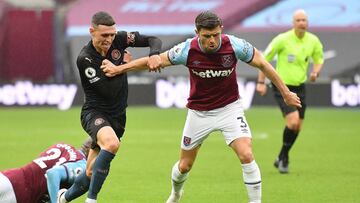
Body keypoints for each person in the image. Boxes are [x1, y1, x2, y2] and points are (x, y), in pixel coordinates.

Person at [101, 10, 301, 203]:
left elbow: (263, 64)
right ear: (197, 33)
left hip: (230, 109)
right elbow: (154, 60)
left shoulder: (235, 45)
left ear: (221, 29)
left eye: (216, 35)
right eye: (207, 36)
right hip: (199, 114)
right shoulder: (187, 49)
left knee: (246, 154)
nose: (212, 40)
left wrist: (285, 92)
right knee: (185, 166)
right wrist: (119, 69)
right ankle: (176, 195)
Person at [57, 11, 162, 203]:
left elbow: (154, 40)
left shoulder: (120, 39)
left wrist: (154, 54)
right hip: (95, 113)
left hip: (118, 116)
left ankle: (63, 198)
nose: (110, 39)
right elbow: (108, 91)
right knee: (112, 144)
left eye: (112, 34)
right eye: (104, 35)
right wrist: (123, 64)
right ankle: (92, 200)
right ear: (92, 32)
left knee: (90, 173)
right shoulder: (85, 59)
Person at [256, 9, 324, 174]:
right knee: (292, 122)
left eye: (304, 20)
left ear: (307, 23)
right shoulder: (282, 39)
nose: (302, 23)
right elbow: (263, 60)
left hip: (300, 87)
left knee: (298, 127)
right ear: (293, 23)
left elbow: (319, 58)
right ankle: (284, 159)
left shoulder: (313, 41)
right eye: (298, 20)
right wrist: (261, 82)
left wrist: (315, 72)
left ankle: (281, 156)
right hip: (283, 87)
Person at [0, 139, 91, 203]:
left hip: (8, 177)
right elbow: (53, 173)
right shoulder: (82, 165)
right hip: (17, 192)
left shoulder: (63, 146)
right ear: (91, 150)